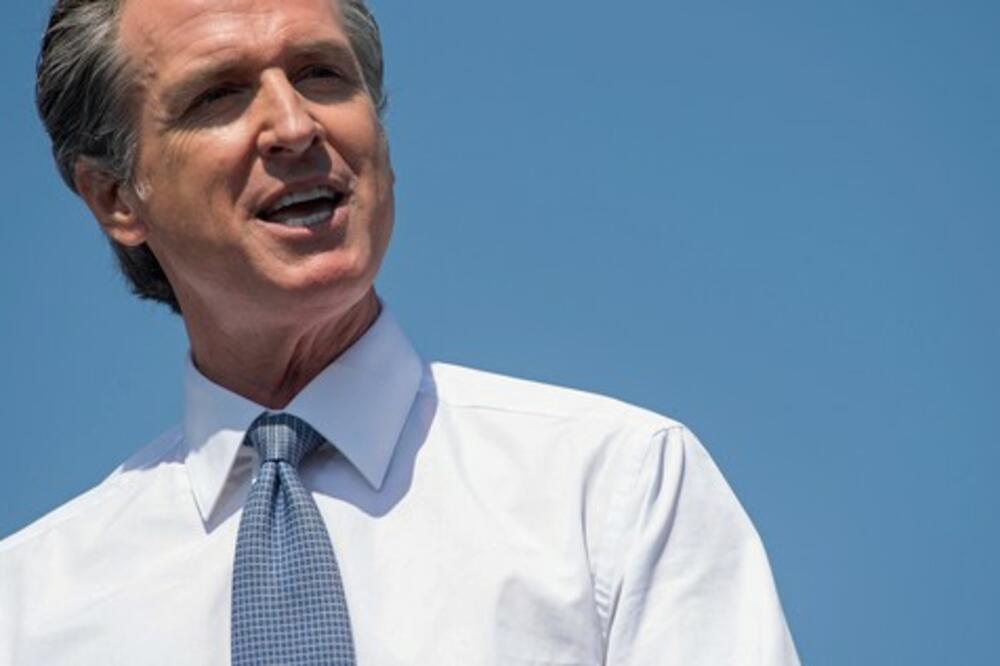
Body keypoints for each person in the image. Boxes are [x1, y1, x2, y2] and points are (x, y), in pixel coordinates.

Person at [0, 0, 800, 663]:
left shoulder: (614, 488)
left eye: (322, 74)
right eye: (220, 95)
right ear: (115, 198)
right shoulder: (29, 607)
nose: (294, 125)